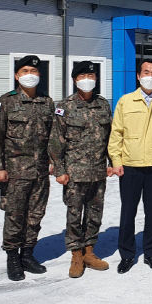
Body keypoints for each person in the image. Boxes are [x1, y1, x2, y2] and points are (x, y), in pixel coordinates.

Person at [0, 55, 54, 281]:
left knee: (35, 215)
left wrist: (54, 160)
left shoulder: (47, 102)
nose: (30, 75)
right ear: (17, 75)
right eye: (25, 71)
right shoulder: (5, 102)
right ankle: (12, 258)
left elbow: (53, 137)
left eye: (34, 71)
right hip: (15, 172)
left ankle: (28, 254)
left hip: (41, 171)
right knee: (15, 215)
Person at [48, 61, 113, 278]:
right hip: (74, 173)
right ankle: (76, 254)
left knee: (95, 214)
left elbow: (110, 138)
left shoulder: (103, 105)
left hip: (98, 172)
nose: (88, 79)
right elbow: (56, 141)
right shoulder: (65, 106)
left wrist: (112, 162)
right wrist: (59, 170)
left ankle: (89, 251)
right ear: (75, 80)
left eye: (92, 75)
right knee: (74, 214)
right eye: (83, 75)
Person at [108, 59, 152, 274]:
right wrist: (116, 162)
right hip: (130, 166)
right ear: (138, 75)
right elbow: (116, 134)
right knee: (128, 212)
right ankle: (126, 254)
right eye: (146, 72)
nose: (150, 76)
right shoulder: (126, 101)